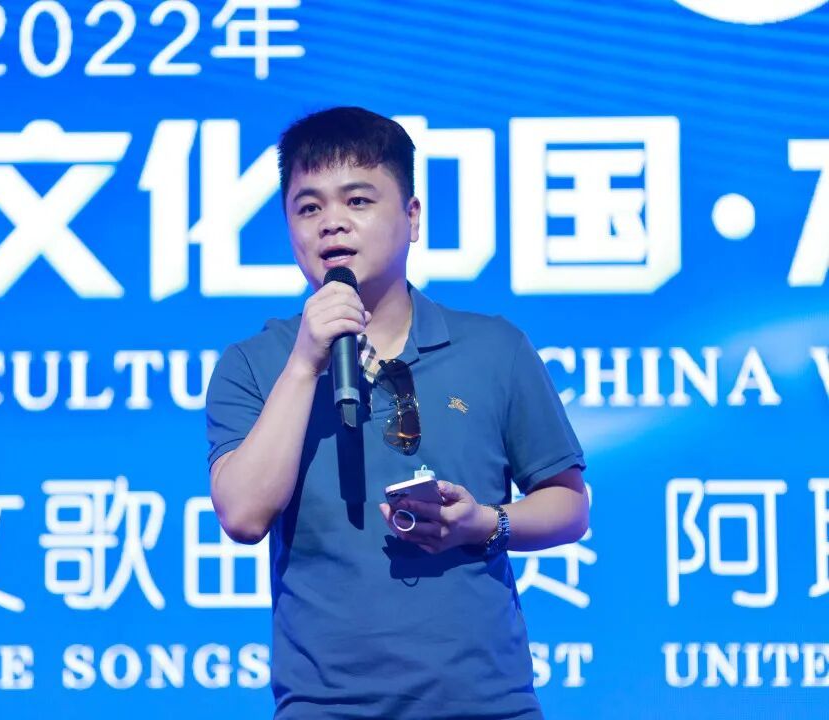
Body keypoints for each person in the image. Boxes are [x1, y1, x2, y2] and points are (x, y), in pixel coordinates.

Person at [205, 106, 588, 720]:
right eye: (308, 208)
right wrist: (305, 363)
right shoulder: (255, 363)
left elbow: (568, 505)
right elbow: (244, 515)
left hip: (485, 705)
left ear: (412, 218)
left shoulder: (494, 348)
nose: (332, 223)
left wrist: (483, 523)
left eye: (357, 200)